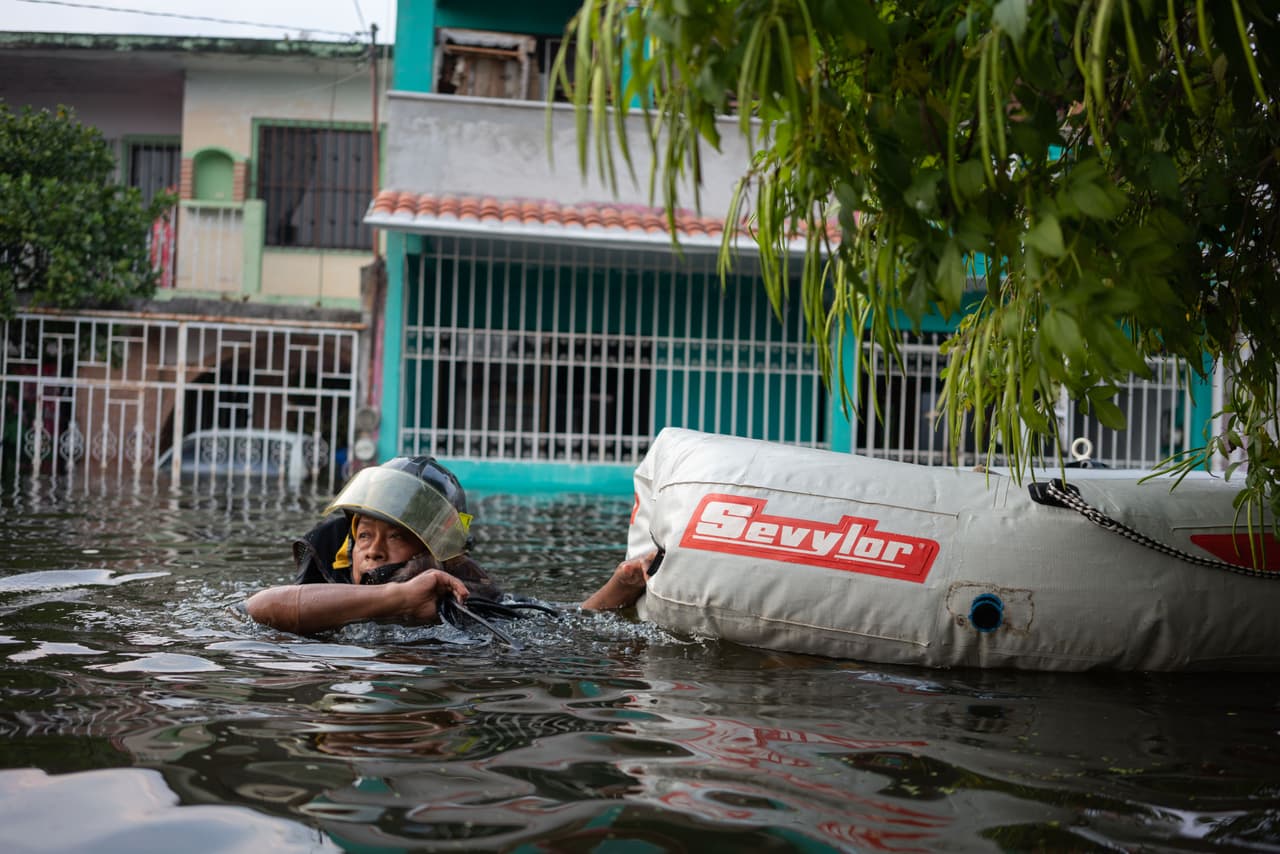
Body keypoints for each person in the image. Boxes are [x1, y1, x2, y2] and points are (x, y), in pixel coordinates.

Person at [246, 456, 500, 634]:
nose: (374, 551)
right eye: (365, 535)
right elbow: (256, 609)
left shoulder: (478, 614)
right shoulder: (330, 596)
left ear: (437, 552)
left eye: (396, 536)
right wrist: (399, 598)